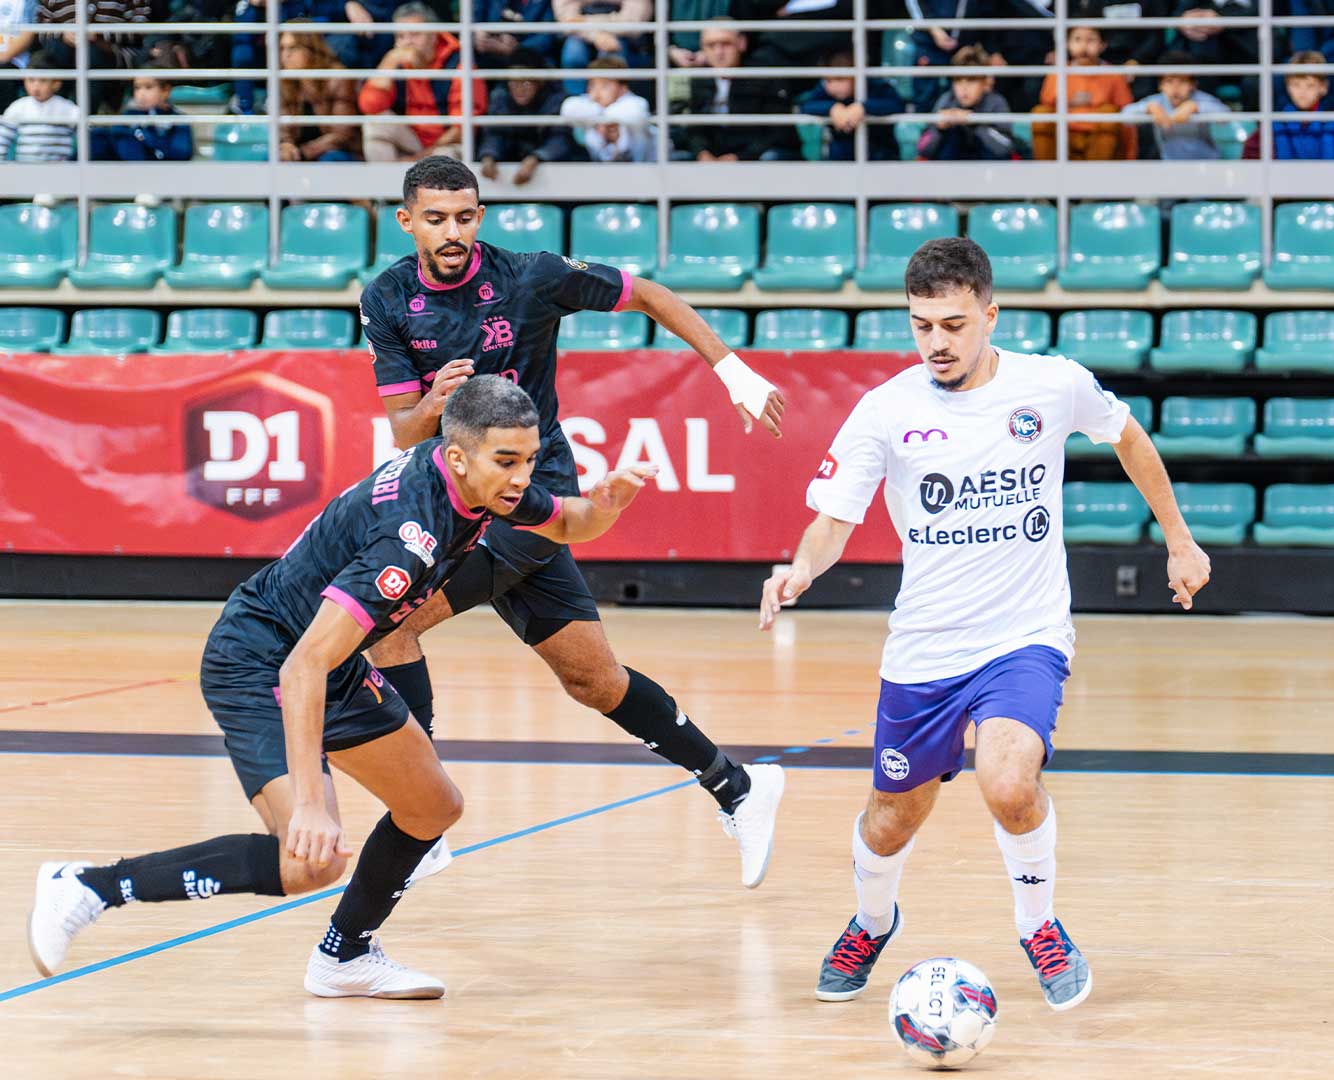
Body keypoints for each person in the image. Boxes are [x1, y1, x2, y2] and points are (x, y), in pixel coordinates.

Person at [28, 376, 660, 997]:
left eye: (530, 458)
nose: (523, 477)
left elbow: (570, 523)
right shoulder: (408, 538)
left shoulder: (478, 480)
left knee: (433, 807)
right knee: (310, 860)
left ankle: (345, 956)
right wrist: (308, 802)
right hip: (261, 661)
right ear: (460, 455)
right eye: (509, 461)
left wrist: (607, 505)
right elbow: (302, 666)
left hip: (333, 661)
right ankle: (88, 886)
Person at [759, 236, 1211, 1011]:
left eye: (954, 325)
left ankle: (1038, 926)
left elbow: (1128, 438)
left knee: (1008, 783)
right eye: (921, 324)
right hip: (926, 646)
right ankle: (873, 920)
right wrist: (801, 568)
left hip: (1024, 636)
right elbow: (833, 520)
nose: (936, 342)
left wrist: (1179, 537)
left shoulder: (1052, 385)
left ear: (990, 315)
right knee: (891, 820)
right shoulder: (885, 411)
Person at [359, 156, 789, 888]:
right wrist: (436, 403)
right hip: (452, 500)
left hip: (534, 497)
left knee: (390, 624)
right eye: (436, 219)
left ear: (480, 217)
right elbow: (404, 429)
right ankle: (737, 786)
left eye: (465, 216)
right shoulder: (388, 297)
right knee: (594, 680)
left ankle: (421, 814)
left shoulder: (527, 275)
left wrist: (730, 367)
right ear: (408, 222)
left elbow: (647, 293)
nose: (453, 230)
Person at [357, 1, 485, 164]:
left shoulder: (458, 62)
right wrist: (389, 60)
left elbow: (461, 130)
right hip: (414, 138)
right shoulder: (398, 61)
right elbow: (370, 107)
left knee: (444, 156)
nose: (408, 42)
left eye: (415, 34)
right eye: (401, 36)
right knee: (374, 124)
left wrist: (418, 159)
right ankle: (386, 187)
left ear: (434, 35)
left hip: (447, 145)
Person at [672, 22, 799, 162]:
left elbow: (778, 131)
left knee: (771, 158)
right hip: (715, 156)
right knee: (674, 159)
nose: (718, 52)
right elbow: (695, 128)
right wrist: (702, 153)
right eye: (711, 45)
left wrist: (739, 157)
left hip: (755, 156)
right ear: (702, 49)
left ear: (741, 43)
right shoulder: (700, 79)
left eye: (725, 44)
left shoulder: (763, 74)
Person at [1030, 24, 1135, 162]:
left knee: (1109, 112)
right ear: (1067, 43)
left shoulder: (1114, 75)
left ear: (1103, 45)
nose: (1083, 46)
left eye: (1091, 40)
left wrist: (1130, 159)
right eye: (1077, 39)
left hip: (1101, 141)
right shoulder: (1057, 73)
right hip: (1063, 137)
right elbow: (1046, 106)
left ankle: (1095, 178)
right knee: (1040, 113)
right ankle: (1045, 175)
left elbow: (1128, 117)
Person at [1245, 50, 1334, 160]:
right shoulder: (1273, 123)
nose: (1302, 92)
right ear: (1287, 86)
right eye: (1296, 85)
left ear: (1323, 87)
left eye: (1310, 86)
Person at [479, 51, 576, 182]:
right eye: (514, 83)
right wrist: (489, 155)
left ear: (539, 82)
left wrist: (536, 158)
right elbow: (495, 133)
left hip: (553, 170)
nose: (519, 89)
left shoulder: (556, 100)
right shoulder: (501, 97)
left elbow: (560, 138)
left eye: (526, 83)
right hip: (511, 166)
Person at [914, 44, 1018, 162]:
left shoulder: (996, 102)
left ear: (985, 82)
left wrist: (974, 123)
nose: (964, 88)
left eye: (971, 81)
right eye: (958, 81)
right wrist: (938, 129)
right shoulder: (947, 100)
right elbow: (922, 149)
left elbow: (1006, 148)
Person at [1120, 50, 1229, 161]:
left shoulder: (1200, 99)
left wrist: (1196, 106)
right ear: (1160, 85)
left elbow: (1225, 115)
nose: (1175, 88)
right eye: (1169, 81)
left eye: (1182, 81)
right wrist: (1148, 107)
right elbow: (1125, 115)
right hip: (1170, 163)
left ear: (1193, 85)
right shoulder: (1157, 101)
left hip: (1206, 163)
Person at [796, 51, 904, 162]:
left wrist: (863, 108)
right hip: (842, 159)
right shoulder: (826, 93)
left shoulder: (875, 86)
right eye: (828, 80)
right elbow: (807, 106)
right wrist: (832, 108)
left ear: (856, 78)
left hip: (881, 157)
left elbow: (896, 105)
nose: (834, 86)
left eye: (840, 79)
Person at [277, 25, 363, 162]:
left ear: (311, 49)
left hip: (339, 152)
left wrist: (303, 152)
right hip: (301, 153)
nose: (286, 55)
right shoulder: (285, 81)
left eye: (293, 48)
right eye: (282, 48)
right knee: (269, 159)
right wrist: (287, 146)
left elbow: (342, 135)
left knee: (329, 160)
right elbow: (284, 130)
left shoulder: (338, 78)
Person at [560, 55, 653, 162]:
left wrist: (604, 119)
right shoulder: (588, 105)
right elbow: (568, 109)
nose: (597, 92)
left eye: (605, 85)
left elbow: (636, 113)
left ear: (623, 89)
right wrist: (603, 118)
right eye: (592, 85)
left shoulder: (635, 103)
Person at [554, 0, 650, 95]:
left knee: (612, 54)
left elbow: (634, 18)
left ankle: (612, 104)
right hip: (581, 34)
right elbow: (566, 18)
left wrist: (587, 23)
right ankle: (579, 101)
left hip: (622, 34)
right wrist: (595, 35)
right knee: (574, 53)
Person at [102, 61, 191, 161]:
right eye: (137, 88)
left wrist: (146, 137)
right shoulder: (127, 117)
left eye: (148, 87)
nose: (141, 94)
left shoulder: (178, 119)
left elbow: (182, 153)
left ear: (166, 90)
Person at [0, 50, 78, 162]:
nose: (36, 86)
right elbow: (2, 139)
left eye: (43, 80)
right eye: (31, 80)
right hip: (26, 168)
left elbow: (85, 137)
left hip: (60, 171)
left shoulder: (68, 109)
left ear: (56, 83)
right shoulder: (18, 107)